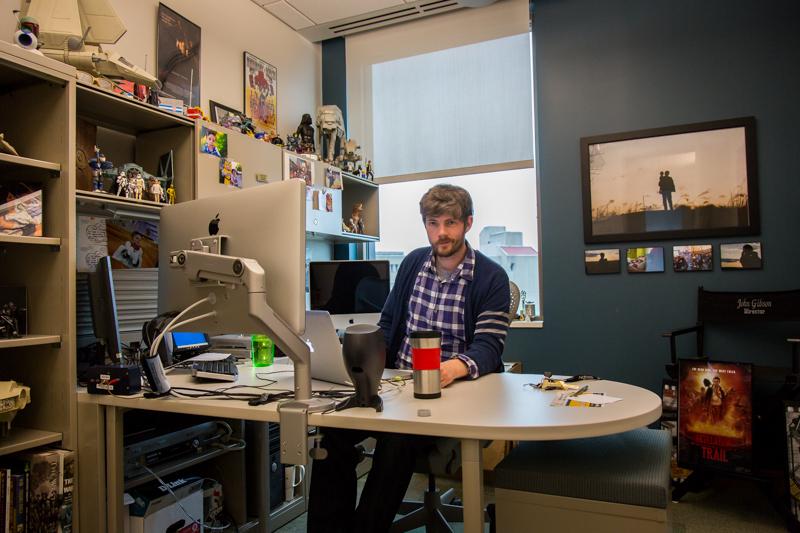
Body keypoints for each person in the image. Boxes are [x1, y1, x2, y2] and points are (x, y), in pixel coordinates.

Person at [308, 184, 510, 533]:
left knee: (398, 440)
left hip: (450, 391)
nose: (441, 233)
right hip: (396, 384)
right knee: (331, 432)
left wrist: (448, 369)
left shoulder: (491, 277)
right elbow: (387, 325)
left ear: (468, 223)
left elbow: (489, 347)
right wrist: (361, 361)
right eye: (433, 223)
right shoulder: (414, 263)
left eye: (450, 223)